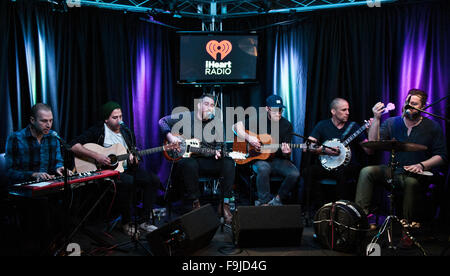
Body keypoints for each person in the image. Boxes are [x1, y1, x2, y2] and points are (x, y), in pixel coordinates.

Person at [355, 89, 447, 226]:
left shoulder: (433, 127)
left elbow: (442, 156)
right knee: (367, 171)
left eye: (414, 104)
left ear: (423, 107)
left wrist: (421, 165)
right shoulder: (392, 122)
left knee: (411, 182)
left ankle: (407, 225)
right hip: (394, 172)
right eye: (407, 102)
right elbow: (372, 145)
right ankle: (361, 218)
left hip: (418, 175)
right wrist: (377, 119)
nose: (408, 106)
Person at [70, 101, 160, 236]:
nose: (119, 120)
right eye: (115, 117)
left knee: (153, 179)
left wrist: (134, 160)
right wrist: (97, 156)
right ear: (106, 119)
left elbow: (133, 156)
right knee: (127, 182)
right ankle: (126, 222)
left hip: (123, 169)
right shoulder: (98, 131)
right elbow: (73, 146)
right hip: (105, 171)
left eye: (121, 117)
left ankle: (144, 221)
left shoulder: (126, 132)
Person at [159, 93, 235, 224]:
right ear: (199, 105)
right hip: (192, 161)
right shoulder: (186, 116)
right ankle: (195, 204)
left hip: (210, 160)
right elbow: (162, 121)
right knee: (188, 163)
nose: (210, 108)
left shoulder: (217, 123)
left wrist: (218, 152)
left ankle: (224, 205)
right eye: (206, 104)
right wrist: (171, 137)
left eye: (212, 105)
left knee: (229, 162)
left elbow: (221, 146)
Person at [4, 103, 69, 254]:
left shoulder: (52, 137)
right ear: (32, 120)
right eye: (44, 121)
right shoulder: (15, 138)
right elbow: (9, 172)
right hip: (22, 190)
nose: (48, 125)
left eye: (51, 120)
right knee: (43, 205)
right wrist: (33, 175)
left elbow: (57, 162)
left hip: (46, 188)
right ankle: (45, 247)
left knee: (69, 196)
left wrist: (59, 168)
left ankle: (60, 243)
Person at [233, 95, 300, 206]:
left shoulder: (287, 125)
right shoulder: (258, 119)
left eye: (280, 110)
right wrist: (249, 138)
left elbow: (286, 151)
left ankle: (277, 200)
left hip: (278, 159)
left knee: (294, 173)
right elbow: (235, 127)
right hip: (259, 158)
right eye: (274, 110)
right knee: (263, 168)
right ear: (267, 109)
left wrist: (287, 152)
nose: (278, 113)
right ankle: (264, 203)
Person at [305, 98, 372, 207]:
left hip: (347, 167)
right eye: (344, 110)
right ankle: (321, 207)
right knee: (308, 172)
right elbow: (307, 146)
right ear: (333, 111)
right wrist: (324, 150)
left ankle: (341, 209)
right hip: (328, 166)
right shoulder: (322, 125)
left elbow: (369, 150)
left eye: (348, 110)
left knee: (343, 173)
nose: (348, 113)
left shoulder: (353, 126)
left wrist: (370, 130)